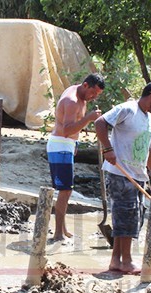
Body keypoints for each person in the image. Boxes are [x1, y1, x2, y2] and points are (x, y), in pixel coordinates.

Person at [94, 81, 151, 274]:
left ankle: (116, 261)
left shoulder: (149, 118)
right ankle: (126, 261)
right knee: (126, 216)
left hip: (138, 175)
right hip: (121, 172)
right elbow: (100, 122)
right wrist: (108, 149)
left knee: (133, 217)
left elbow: (148, 148)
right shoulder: (128, 108)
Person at [47, 73, 105, 241]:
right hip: (60, 145)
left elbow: (72, 129)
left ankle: (62, 229)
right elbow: (66, 130)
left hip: (67, 146)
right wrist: (89, 118)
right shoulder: (72, 101)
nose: (93, 97)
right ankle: (58, 233)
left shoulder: (81, 96)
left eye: (97, 95)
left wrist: (76, 144)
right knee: (65, 191)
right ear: (85, 85)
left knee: (67, 190)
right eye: (93, 93)